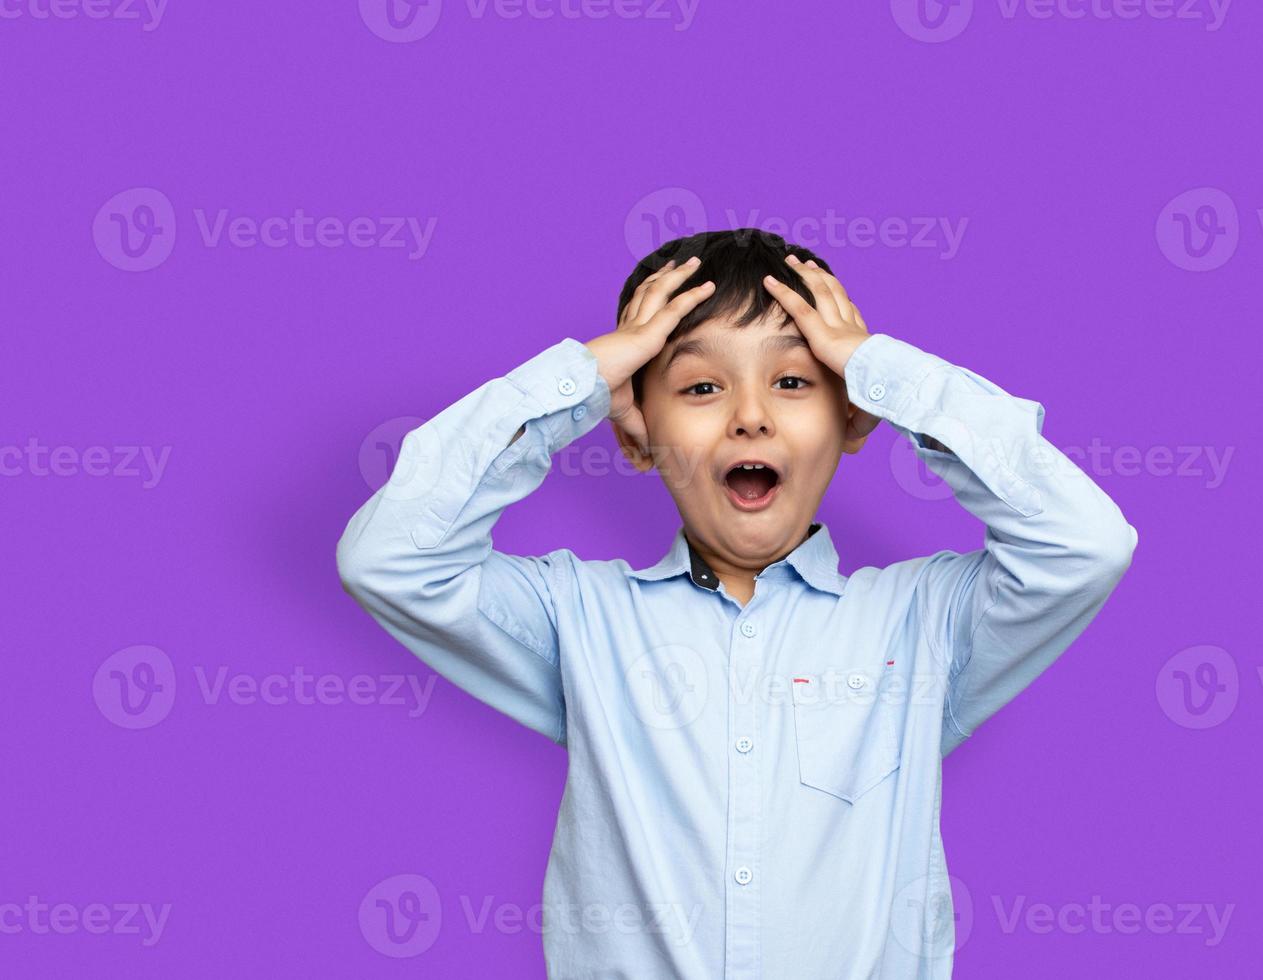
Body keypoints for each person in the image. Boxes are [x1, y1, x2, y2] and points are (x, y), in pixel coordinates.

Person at [335, 228, 1138, 978]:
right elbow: (393, 559)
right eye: (700, 385)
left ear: (852, 416)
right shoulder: (578, 619)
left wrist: (883, 370)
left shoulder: (924, 624)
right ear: (635, 431)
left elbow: (1084, 544)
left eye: (793, 381)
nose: (750, 415)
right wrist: (580, 380)